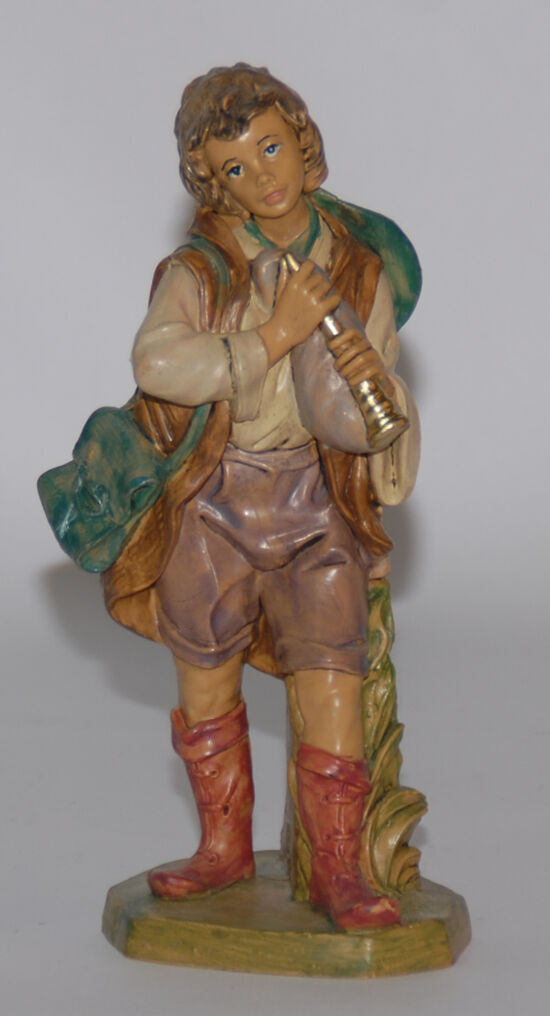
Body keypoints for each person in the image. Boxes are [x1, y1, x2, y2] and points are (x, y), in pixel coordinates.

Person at [108, 63, 421, 930]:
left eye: (272, 147)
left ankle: (338, 868)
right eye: (235, 167)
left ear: (302, 139)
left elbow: (372, 408)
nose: (262, 175)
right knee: (205, 669)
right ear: (214, 185)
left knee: (332, 676)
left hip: (315, 500)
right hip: (216, 499)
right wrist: (270, 338)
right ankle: (223, 848)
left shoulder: (356, 268)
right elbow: (158, 361)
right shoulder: (203, 269)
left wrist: (372, 392)